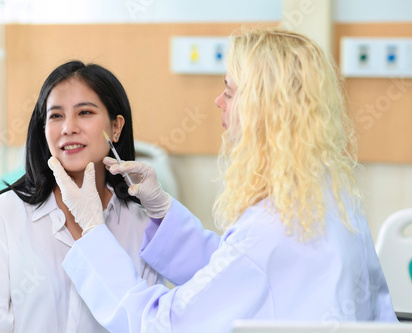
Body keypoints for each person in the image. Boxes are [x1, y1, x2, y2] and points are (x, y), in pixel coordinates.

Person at [49, 29, 398, 332]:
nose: (219, 102)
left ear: (262, 107)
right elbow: (240, 274)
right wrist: (164, 212)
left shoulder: (268, 231)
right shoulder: (330, 198)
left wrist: (93, 232)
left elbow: (159, 325)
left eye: (229, 92)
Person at [0, 60, 164, 332]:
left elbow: (149, 324)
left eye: (85, 112)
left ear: (115, 127)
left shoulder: (141, 229)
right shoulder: (2, 219)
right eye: (56, 116)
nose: (68, 127)